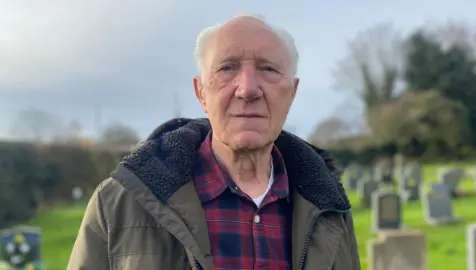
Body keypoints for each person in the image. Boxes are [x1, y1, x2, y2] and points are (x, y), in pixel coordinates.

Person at [67, 13, 360, 270]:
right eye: (227, 68)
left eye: (268, 68)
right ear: (201, 92)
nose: (247, 89)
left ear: (292, 92)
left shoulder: (330, 211)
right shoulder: (119, 203)